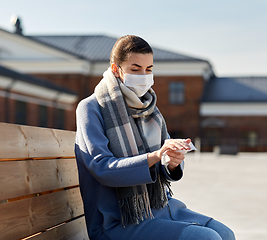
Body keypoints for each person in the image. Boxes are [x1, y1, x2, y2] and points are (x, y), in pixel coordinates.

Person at [75, 35, 235, 240]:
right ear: (116, 70)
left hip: (159, 208)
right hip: (117, 219)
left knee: (225, 233)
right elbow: (102, 168)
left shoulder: (150, 109)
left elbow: (163, 161)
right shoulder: (92, 108)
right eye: (135, 69)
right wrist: (156, 155)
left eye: (148, 69)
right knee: (206, 238)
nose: (143, 75)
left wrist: (171, 162)